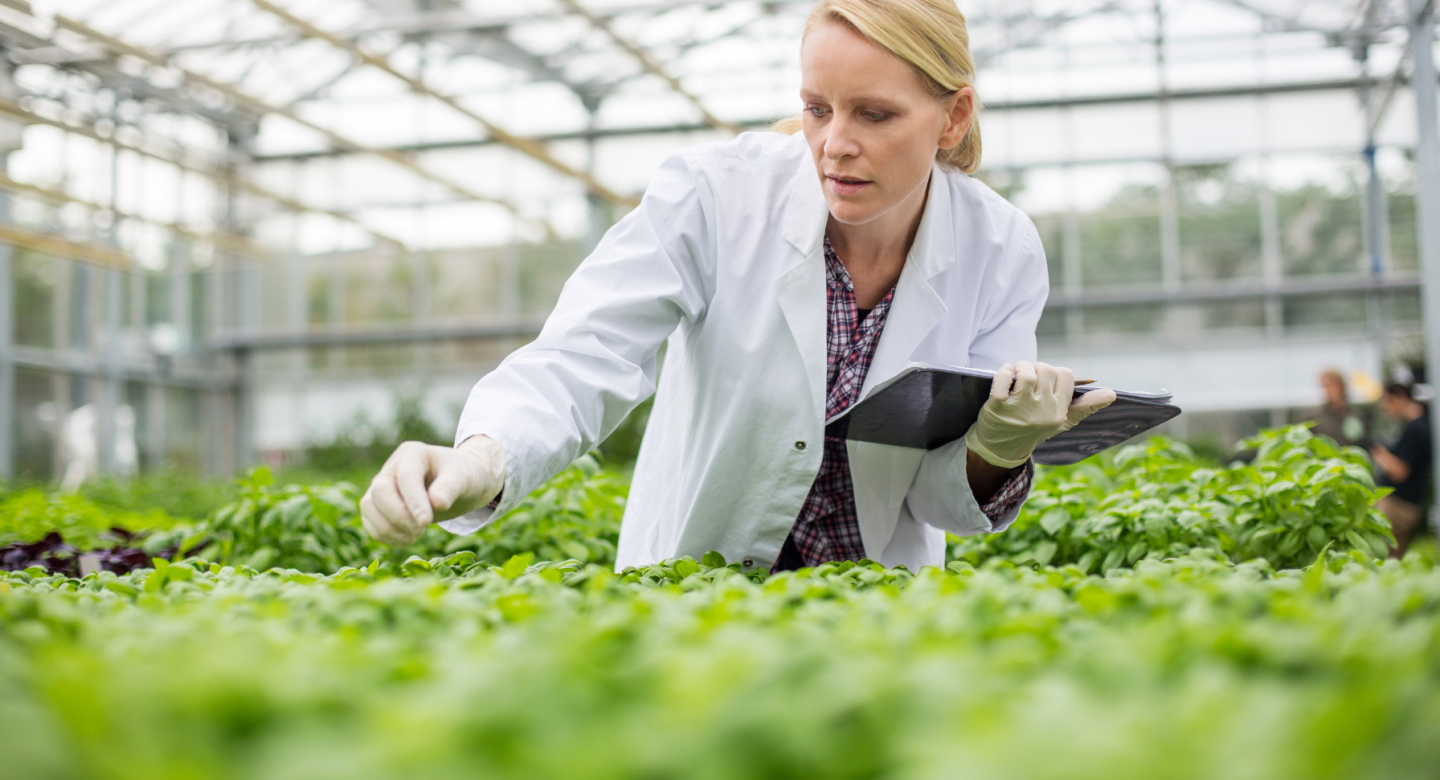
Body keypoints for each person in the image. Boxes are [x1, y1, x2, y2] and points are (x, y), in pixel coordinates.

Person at [358, 0, 1116, 572]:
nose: (835, 145)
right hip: (697, 592)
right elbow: (587, 354)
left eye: (875, 114)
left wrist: (1000, 446)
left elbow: (937, 501)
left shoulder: (999, 247)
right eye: (817, 109)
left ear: (953, 117)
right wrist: (479, 460)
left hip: (878, 615)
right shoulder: (714, 195)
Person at [1371, 383, 1431, 558]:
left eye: (1388, 402)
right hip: (1406, 505)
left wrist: (1380, 453)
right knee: (1393, 559)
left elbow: (1400, 472)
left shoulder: (1416, 429)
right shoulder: (1418, 424)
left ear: (1400, 397)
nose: (1386, 409)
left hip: (1399, 506)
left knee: (1381, 558)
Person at [1306, 369, 1372, 449]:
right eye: (1324, 386)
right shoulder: (1313, 419)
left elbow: (1364, 444)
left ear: (1341, 386)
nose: (1327, 390)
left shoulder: (1357, 415)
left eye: (1330, 385)